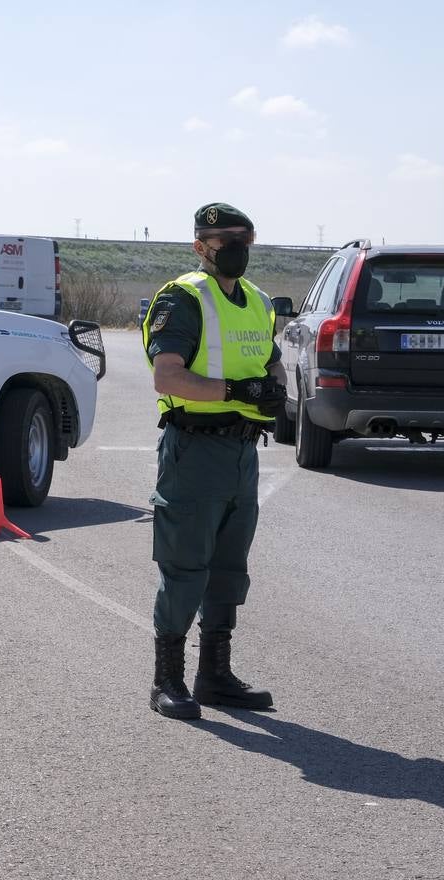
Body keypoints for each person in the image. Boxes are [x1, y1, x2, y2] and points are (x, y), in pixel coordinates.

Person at [141, 202, 287, 721]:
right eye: (226, 240)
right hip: (195, 448)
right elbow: (168, 377)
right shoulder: (183, 299)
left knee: (229, 565)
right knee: (185, 566)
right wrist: (234, 389)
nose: (237, 248)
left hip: (243, 450)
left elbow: (268, 361)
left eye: (244, 238)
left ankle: (214, 675)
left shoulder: (258, 302)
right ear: (201, 246)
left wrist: (274, 393)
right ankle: (167, 680)